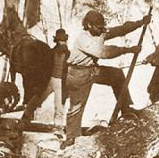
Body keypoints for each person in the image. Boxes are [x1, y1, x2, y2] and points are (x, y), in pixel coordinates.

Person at [61, 10, 151, 149]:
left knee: (116, 75)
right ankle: (71, 137)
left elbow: (120, 30)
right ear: (89, 25)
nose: (102, 29)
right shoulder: (83, 38)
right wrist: (127, 50)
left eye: (102, 26)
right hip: (77, 73)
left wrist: (140, 23)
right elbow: (103, 52)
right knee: (76, 107)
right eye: (98, 27)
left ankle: (125, 107)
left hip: (92, 70)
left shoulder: (99, 31)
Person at [21, 29, 70, 125]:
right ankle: (25, 117)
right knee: (38, 98)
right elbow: (43, 67)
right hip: (49, 80)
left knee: (59, 105)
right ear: (57, 41)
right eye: (60, 41)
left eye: (64, 41)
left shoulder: (69, 55)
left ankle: (58, 125)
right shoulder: (50, 53)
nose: (62, 43)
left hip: (61, 82)